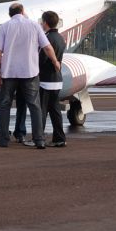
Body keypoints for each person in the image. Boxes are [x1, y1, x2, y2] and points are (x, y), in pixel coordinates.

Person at [0, 3, 61, 149]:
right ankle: (39, 140)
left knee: (4, 105)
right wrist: (55, 61)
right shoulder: (34, 25)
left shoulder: (5, 27)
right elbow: (47, 47)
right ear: (22, 11)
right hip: (29, 72)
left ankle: (3, 139)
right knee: (34, 106)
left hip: (9, 72)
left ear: (10, 14)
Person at [38, 11, 66, 147]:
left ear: (46, 23)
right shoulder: (61, 38)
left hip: (45, 80)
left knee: (41, 110)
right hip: (57, 79)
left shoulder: (46, 38)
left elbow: (42, 59)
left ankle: (39, 138)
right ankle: (59, 138)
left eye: (42, 21)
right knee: (55, 111)